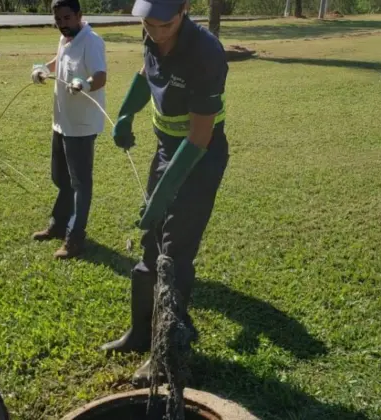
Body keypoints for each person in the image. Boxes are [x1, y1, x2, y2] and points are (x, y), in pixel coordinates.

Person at [100, 0, 230, 387]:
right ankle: (140, 332)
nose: (155, 32)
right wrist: (126, 111)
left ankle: (165, 353)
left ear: (185, 10)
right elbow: (145, 74)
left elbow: (199, 137)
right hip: (164, 149)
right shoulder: (153, 32)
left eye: (164, 24)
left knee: (173, 254)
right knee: (149, 246)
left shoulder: (206, 53)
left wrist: (161, 198)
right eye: (147, 23)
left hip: (199, 159)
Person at [30, 0, 107, 259]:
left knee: (80, 183)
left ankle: (74, 238)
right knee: (60, 179)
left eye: (66, 18)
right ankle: (59, 225)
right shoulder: (65, 40)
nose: (62, 25)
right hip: (62, 121)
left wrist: (84, 84)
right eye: (58, 20)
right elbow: (58, 59)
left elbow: (100, 75)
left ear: (78, 15)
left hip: (82, 127)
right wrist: (43, 69)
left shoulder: (92, 41)